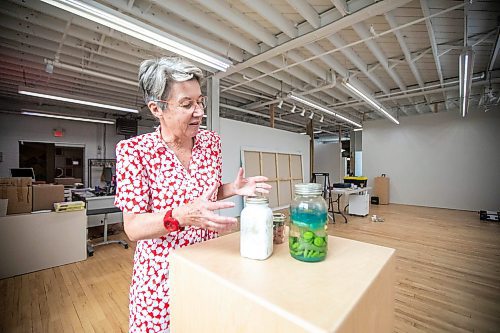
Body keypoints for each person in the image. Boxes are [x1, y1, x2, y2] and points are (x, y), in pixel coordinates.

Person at [114, 57, 271, 333]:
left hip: (209, 266)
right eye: (187, 105)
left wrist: (232, 189)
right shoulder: (135, 152)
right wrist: (181, 215)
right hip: (161, 279)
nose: (198, 112)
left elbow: (205, 195)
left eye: (200, 102)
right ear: (156, 108)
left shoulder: (211, 143)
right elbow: (133, 227)